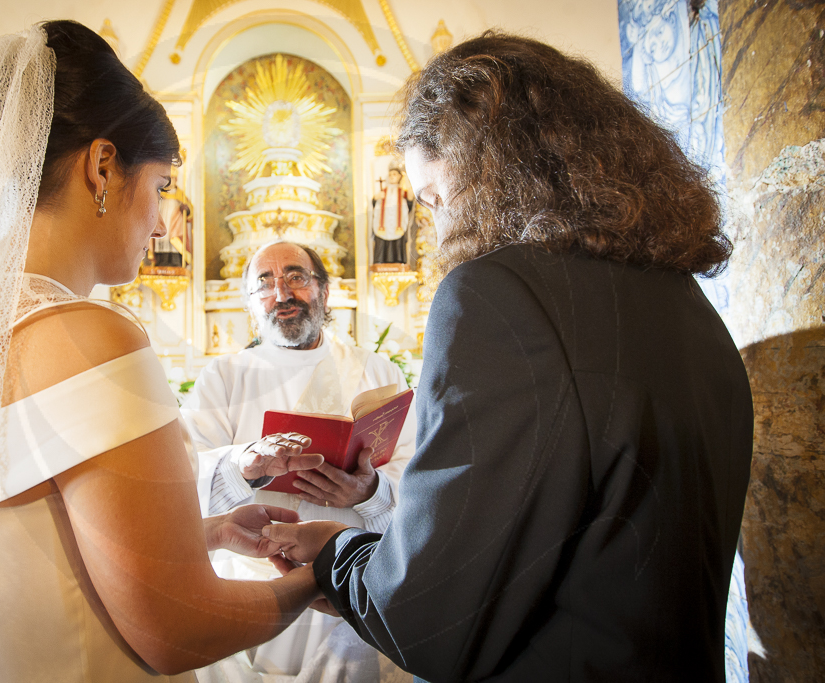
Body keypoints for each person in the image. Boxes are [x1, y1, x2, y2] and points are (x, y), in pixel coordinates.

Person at [0, 22, 320, 682]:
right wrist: (323, 572)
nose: (162, 223)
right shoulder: (88, 335)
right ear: (102, 165)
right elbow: (179, 629)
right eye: (161, 187)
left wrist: (206, 532)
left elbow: (14, 538)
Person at [264, 31, 754, 683]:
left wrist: (335, 553)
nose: (437, 233)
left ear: (487, 163)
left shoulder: (500, 295)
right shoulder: (687, 305)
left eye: (435, 200)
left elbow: (430, 618)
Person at [181, 241, 415, 681]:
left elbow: (417, 474)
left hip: (350, 582)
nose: (282, 293)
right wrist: (244, 464)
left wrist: (371, 491)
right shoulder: (223, 379)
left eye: (295, 277)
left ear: (323, 291)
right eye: (264, 284)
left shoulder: (378, 373)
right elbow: (183, 482)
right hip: (252, 583)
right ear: (251, 303)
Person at [371, 161, 413, 264]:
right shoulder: (383, 191)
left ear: (399, 176)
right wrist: (376, 198)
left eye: (394, 174)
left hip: (396, 225)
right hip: (383, 225)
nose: (392, 177)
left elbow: (410, 198)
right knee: (381, 243)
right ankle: (380, 262)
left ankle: (398, 262)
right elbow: (374, 205)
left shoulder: (402, 191)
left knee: (397, 246)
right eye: (390, 175)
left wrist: (406, 178)